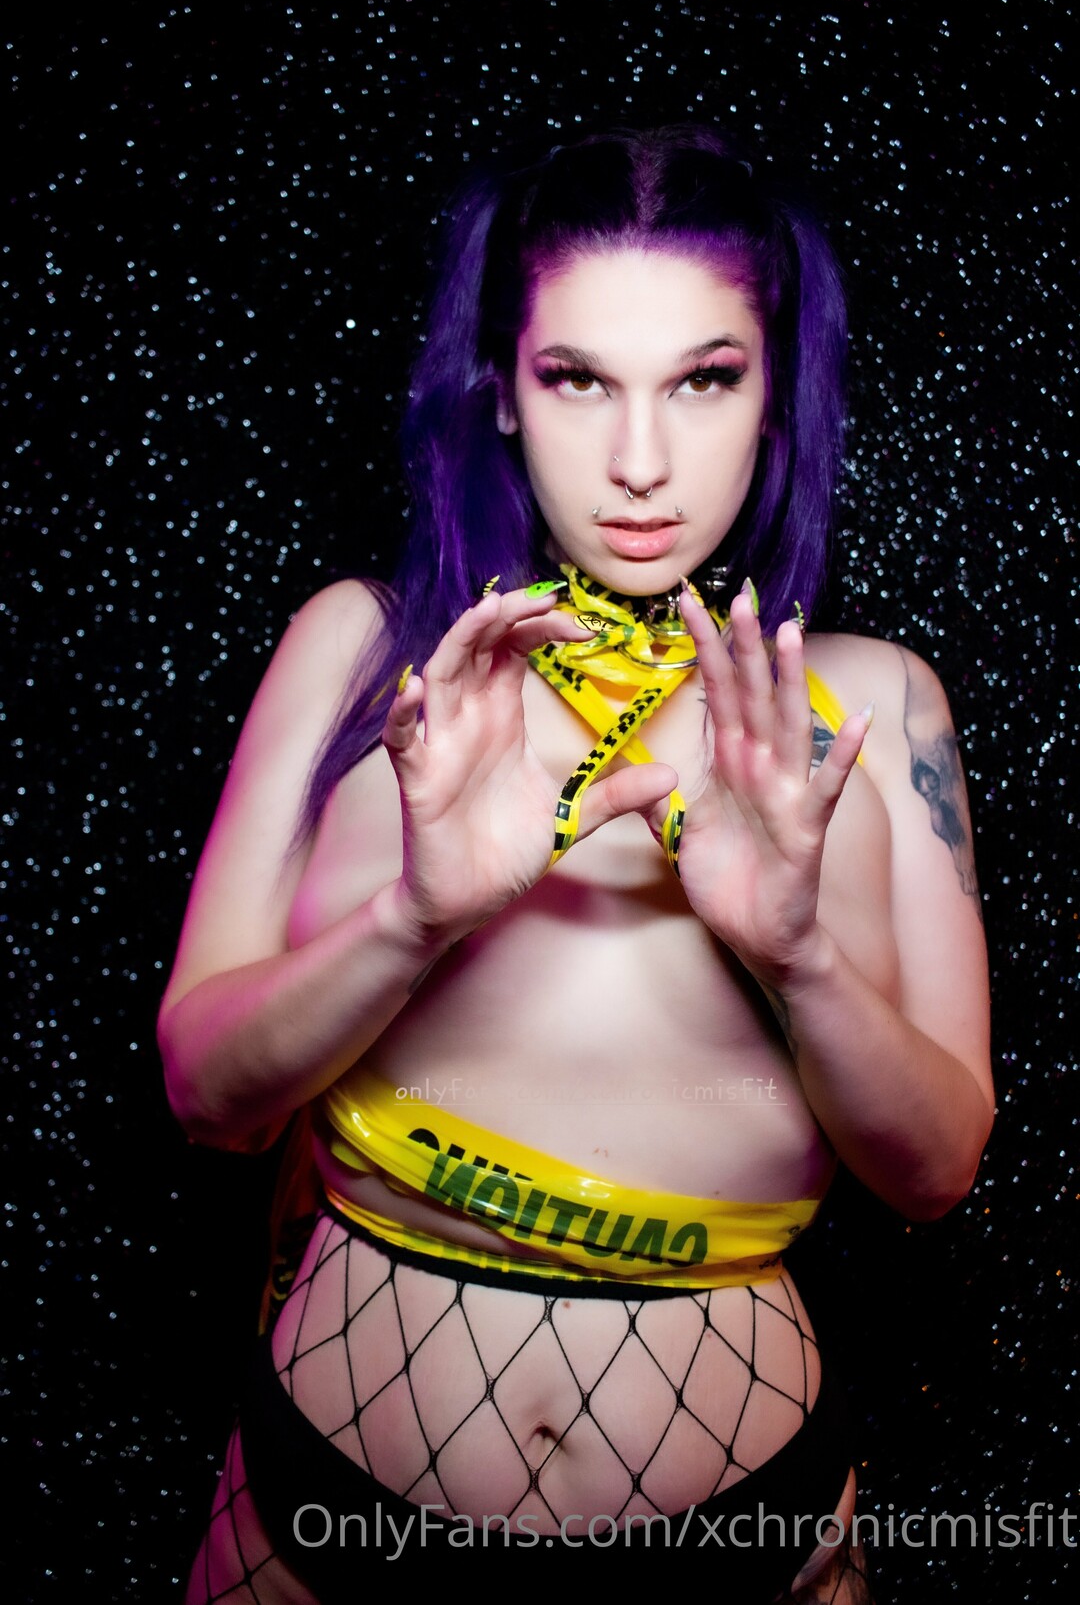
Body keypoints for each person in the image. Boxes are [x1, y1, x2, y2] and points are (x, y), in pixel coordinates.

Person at [159, 127, 993, 1603]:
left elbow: (935, 1174)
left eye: (705, 380)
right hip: (323, 1523)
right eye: (579, 380)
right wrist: (414, 920)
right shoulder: (363, 654)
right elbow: (206, 1098)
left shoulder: (878, 707)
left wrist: (796, 958)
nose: (640, 463)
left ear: (776, 396)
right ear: (500, 386)